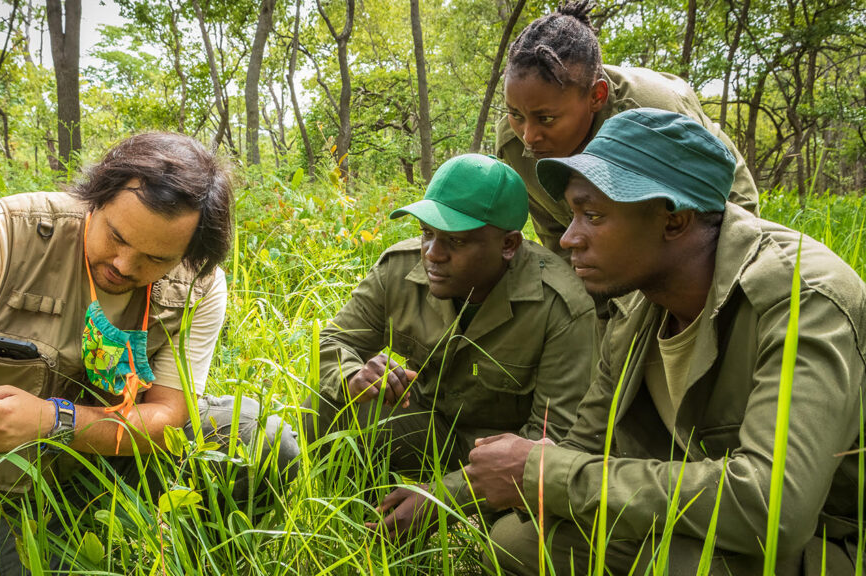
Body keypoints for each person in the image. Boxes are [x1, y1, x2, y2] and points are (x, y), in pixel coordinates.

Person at [464, 108, 865, 575]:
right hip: (711, 516)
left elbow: (773, 509)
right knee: (520, 541)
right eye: (573, 214)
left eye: (592, 215)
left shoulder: (802, 298)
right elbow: (587, 445)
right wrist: (504, 476)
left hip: (832, 537)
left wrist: (539, 472)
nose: (569, 238)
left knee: (678, 566)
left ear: (674, 221)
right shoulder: (638, 310)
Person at [0, 133, 299, 573]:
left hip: (125, 462)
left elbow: (168, 418)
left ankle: (201, 559)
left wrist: (52, 421)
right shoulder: (7, 231)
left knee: (260, 440)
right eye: (116, 236)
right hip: (5, 483)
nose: (124, 265)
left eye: (155, 258)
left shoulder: (200, 284)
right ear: (96, 198)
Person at [306, 154, 596, 539]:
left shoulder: (561, 306)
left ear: (509, 244)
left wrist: (445, 497)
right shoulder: (399, 267)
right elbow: (334, 340)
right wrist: (354, 377)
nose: (433, 253)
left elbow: (554, 437)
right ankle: (362, 524)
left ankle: (460, 521)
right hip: (430, 429)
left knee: (514, 540)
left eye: (455, 240)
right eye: (427, 232)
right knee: (326, 404)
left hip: (504, 462)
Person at [495, 0, 759, 258]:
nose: (529, 136)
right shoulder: (514, 145)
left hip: (714, 197)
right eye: (515, 114)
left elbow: (708, 210)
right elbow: (559, 243)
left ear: (596, 96)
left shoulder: (653, 114)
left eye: (547, 119)